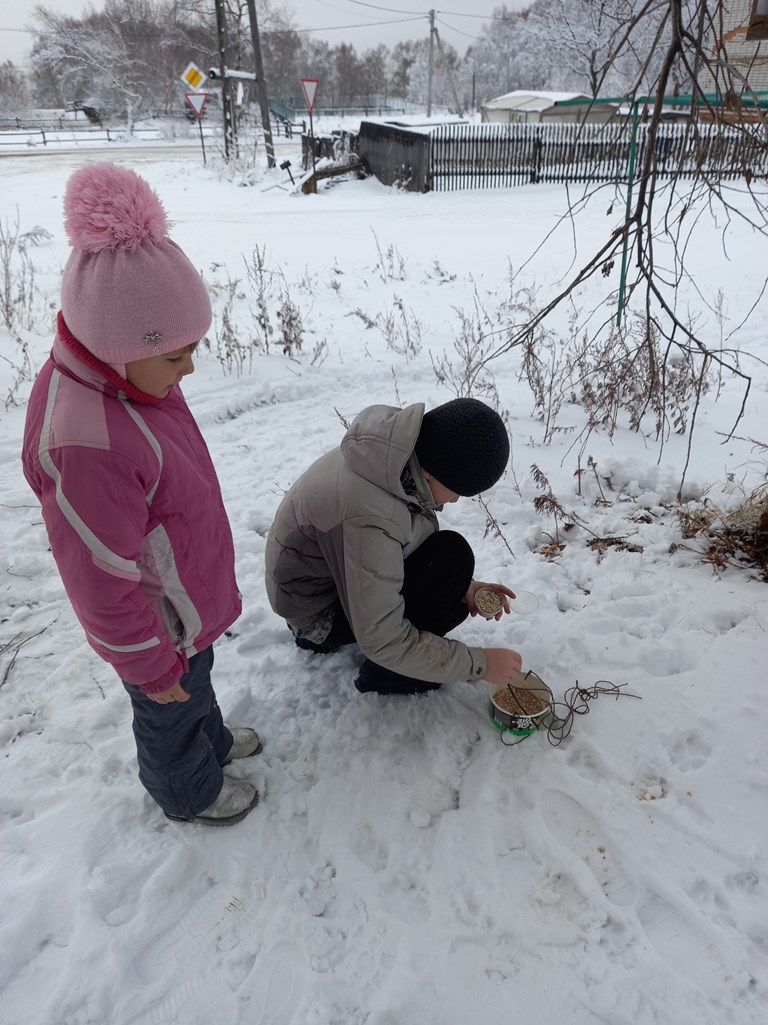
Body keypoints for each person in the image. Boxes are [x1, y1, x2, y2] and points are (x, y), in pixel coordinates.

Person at [22, 163, 260, 827]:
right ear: (121, 344)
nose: (190, 369)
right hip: (153, 629)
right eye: (176, 355)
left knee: (197, 687)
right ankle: (189, 790)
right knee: (169, 713)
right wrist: (149, 664)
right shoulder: (87, 442)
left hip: (182, 607)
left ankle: (209, 743)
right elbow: (100, 582)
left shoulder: (127, 377)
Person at [265, 398, 523, 694]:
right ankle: (387, 677)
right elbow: (383, 640)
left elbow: (396, 539)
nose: (455, 501)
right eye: (457, 491)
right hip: (315, 615)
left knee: (453, 572)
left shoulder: (390, 453)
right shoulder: (368, 515)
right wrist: (480, 665)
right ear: (430, 473)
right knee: (452, 572)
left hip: (319, 582)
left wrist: (466, 585)